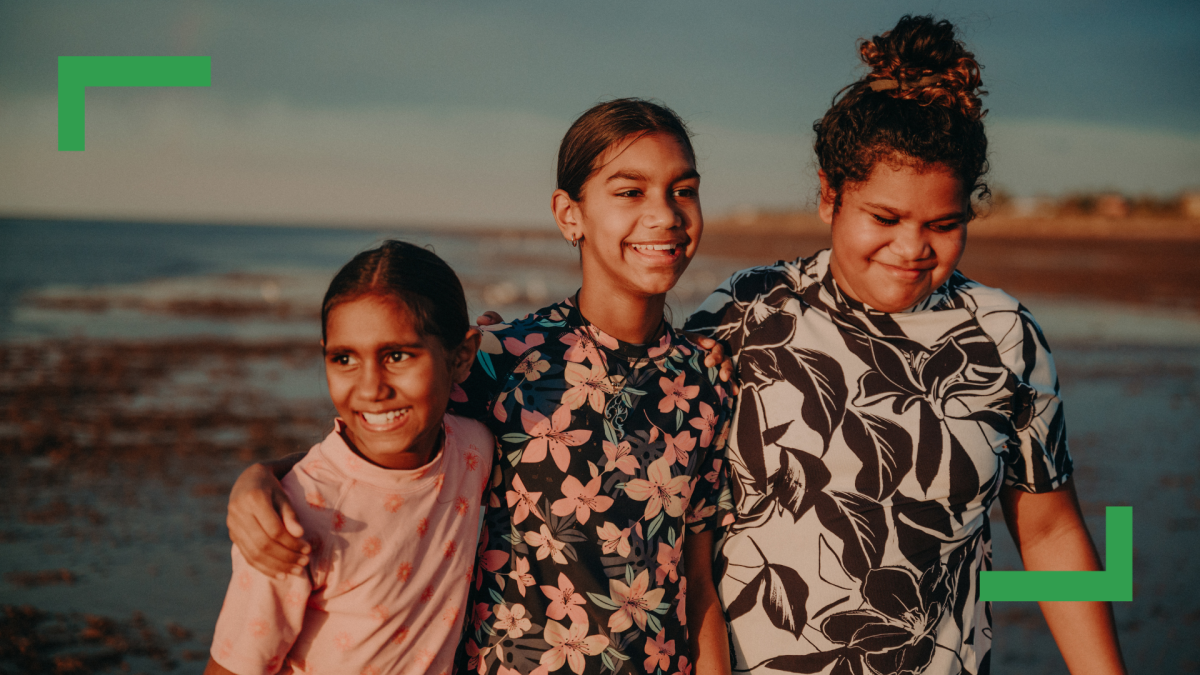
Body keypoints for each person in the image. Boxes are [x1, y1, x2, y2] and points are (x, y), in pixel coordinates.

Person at [224, 98, 738, 675]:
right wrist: (262, 477)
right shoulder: (501, 359)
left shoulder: (705, 382)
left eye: (683, 190)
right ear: (569, 215)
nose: (665, 214)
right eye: (630, 192)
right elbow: (375, 446)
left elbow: (699, 585)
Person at [682, 15, 1126, 675]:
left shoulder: (1005, 336)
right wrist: (483, 355)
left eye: (944, 224)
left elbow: (1051, 531)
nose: (913, 248)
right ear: (831, 195)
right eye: (885, 218)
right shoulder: (750, 310)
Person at [204, 241, 488, 675]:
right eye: (344, 359)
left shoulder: (475, 449)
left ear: (462, 356)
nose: (371, 387)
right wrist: (265, 476)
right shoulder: (291, 519)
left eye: (397, 356)